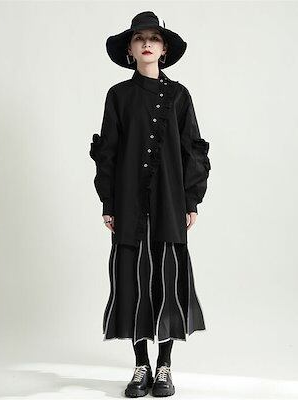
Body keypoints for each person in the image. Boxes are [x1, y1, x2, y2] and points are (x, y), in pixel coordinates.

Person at [89, 11, 211, 397]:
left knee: (167, 280)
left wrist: (191, 199)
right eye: (139, 38)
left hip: (169, 200)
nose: (147, 43)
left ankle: (165, 367)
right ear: (130, 49)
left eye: (154, 38)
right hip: (128, 201)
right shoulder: (118, 96)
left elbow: (193, 148)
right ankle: (141, 365)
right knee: (133, 280)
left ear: (163, 49)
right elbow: (108, 152)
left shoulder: (179, 96)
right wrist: (108, 201)